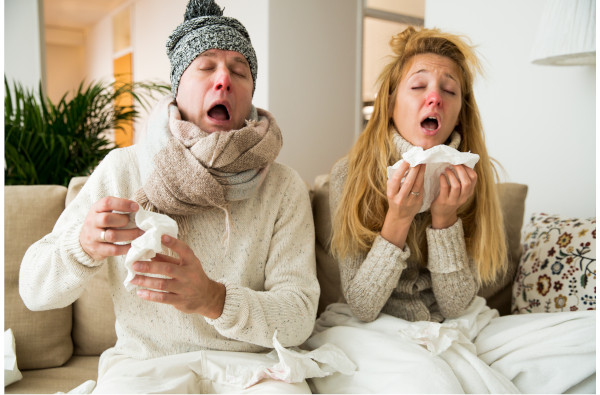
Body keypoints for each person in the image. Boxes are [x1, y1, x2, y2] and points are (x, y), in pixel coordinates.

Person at [19, 0, 320, 393]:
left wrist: (215, 299)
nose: (224, 80)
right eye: (206, 66)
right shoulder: (123, 170)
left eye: (239, 71)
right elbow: (33, 290)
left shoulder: (283, 187)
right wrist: (82, 246)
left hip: (255, 370)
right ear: (177, 87)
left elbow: (298, 315)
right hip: (146, 367)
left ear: (250, 97)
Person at [304, 27, 595, 394]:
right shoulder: (353, 173)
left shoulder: (473, 175)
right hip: (372, 329)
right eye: (418, 86)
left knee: (590, 339)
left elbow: (457, 304)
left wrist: (445, 220)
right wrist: (398, 218)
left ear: (460, 112)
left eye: (449, 90)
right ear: (390, 102)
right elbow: (363, 305)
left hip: (456, 323)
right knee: (431, 383)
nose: (434, 98)